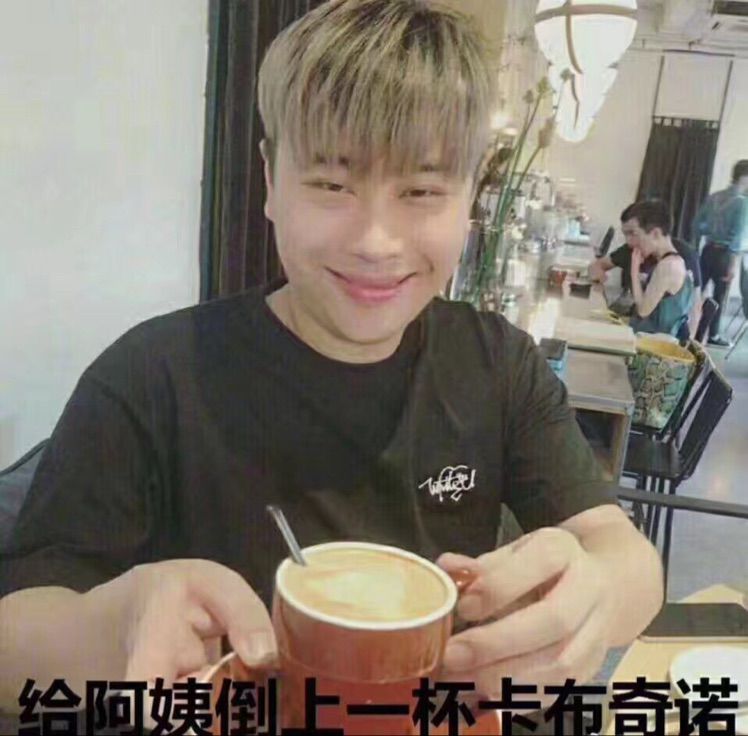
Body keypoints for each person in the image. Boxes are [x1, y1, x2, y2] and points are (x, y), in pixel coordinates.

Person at [0, 0, 663, 718]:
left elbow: (623, 553)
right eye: (331, 185)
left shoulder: (498, 365)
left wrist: (597, 591)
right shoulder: (150, 377)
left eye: (421, 191)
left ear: (468, 197)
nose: (375, 241)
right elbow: (14, 640)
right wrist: (115, 626)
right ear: (270, 179)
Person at [589, 201, 702, 336]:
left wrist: (634, 271)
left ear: (655, 234)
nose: (629, 242)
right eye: (626, 235)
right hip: (644, 330)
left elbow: (643, 311)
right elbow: (597, 265)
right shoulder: (664, 259)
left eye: (633, 234)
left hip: (652, 338)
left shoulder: (672, 263)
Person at [692, 159, 748, 347]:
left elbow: (697, 225)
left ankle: (690, 328)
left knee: (697, 292)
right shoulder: (742, 203)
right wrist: (733, 264)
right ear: (744, 177)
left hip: (707, 250)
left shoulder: (714, 197)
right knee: (719, 297)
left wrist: (712, 230)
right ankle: (713, 335)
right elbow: (738, 237)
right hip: (725, 256)